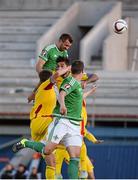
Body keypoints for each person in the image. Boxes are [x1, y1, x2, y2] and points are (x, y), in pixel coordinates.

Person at [12, 60, 84, 179]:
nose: (58, 71)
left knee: (60, 160)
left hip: (66, 123)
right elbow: (60, 89)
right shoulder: (46, 85)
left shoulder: (66, 85)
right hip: (46, 122)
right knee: (49, 151)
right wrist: (68, 68)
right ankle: (26, 142)